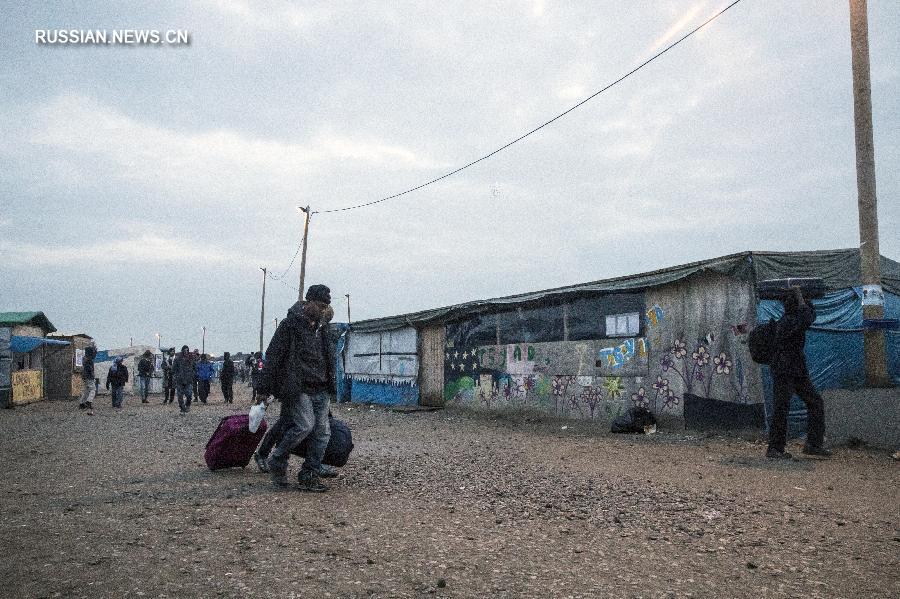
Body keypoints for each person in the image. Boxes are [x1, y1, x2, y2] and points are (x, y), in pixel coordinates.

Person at [254, 284, 336, 492]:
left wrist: (331, 383)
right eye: (320, 305)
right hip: (297, 387)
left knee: (322, 432)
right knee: (304, 426)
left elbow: (328, 357)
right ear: (308, 302)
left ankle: (310, 473)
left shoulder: (323, 328)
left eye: (326, 305)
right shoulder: (290, 325)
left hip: (321, 387)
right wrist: (263, 389)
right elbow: (273, 356)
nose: (323, 309)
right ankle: (277, 459)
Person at [767, 286, 831, 459]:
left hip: (795, 369)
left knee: (815, 402)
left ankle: (813, 444)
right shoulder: (789, 321)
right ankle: (775, 448)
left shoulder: (790, 320)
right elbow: (807, 317)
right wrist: (799, 296)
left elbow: (808, 315)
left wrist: (800, 297)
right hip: (785, 369)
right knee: (782, 407)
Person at [173, 345, 195, 413]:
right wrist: (177, 375)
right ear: (182, 350)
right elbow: (174, 369)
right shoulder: (177, 359)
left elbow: (194, 368)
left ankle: (187, 405)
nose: (186, 352)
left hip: (189, 380)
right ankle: (182, 408)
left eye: (187, 350)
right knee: (180, 396)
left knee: (189, 395)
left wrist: (192, 374)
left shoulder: (191, 359)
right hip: (180, 380)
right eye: (185, 350)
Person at [78, 345, 97, 410]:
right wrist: (92, 375)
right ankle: (89, 402)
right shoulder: (89, 360)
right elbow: (90, 369)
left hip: (85, 376)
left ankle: (82, 403)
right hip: (89, 376)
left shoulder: (84, 358)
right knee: (93, 389)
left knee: (86, 391)